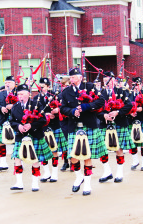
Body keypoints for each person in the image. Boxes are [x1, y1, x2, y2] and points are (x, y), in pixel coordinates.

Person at [60, 67, 107, 196]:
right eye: (70, 78)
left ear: (80, 77)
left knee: (87, 156)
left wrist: (87, 106)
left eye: (74, 77)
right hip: (73, 127)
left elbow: (101, 101)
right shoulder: (66, 92)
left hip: (89, 126)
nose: (71, 80)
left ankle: (87, 184)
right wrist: (72, 111)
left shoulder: (90, 87)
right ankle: (79, 176)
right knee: (73, 157)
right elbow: (62, 108)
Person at [9, 84, 53, 191]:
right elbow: (11, 121)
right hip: (21, 136)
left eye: (22, 94)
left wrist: (31, 126)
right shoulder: (15, 107)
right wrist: (18, 126)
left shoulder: (36, 104)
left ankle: (35, 183)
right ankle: (19, 183)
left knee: (35, 159)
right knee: (17, 158)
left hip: (35, 135)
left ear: (28, 94)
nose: (20, 96)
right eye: (18, 94)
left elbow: (43, 120)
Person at [97, 71, 135, 183]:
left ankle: (119, 172)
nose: (107, 83)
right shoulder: (101, 93)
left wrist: (118, 112)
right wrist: (104, 115)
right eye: (105, 81)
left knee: (119, 148)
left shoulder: (121, 91)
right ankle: (107, 171)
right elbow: (95, 110)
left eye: (109, 80)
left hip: (119, 124)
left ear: (114, 81)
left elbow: (129, 106)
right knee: (103, 149)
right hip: (105, 124)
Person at [33, 77, 67, 183]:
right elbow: (34, 113)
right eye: (40, 86)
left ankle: (54, 174)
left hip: (54, 126)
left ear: (48, 86)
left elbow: (63, 108)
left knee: (54, 151)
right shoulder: (35, 98)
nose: (41, 88)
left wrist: (58, 110)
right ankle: (46, 172)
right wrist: (46, 114)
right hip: (42, 128)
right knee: (43, 151)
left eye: (43, 86)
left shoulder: (55, 96)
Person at [0, 76, 16, 171]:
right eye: (6, 82)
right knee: (0, 142)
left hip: (16, 120)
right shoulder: (0, 94)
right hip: (3, 120)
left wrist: (13, 106)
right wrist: (1, 108)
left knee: (17, 142)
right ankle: (3, 163)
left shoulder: (18, 93)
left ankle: (18, 161)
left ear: (14, 84)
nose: (7, 84)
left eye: (9, 82)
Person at [59, 77, 71, 171]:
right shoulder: (59, 95)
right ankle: (66, 162)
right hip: (62, 121)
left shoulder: (72, 95)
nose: (65, 87)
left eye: (67, 85)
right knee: (64, 143)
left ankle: (73, 162)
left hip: (71, 120)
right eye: (63, 86)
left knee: (72, 142)